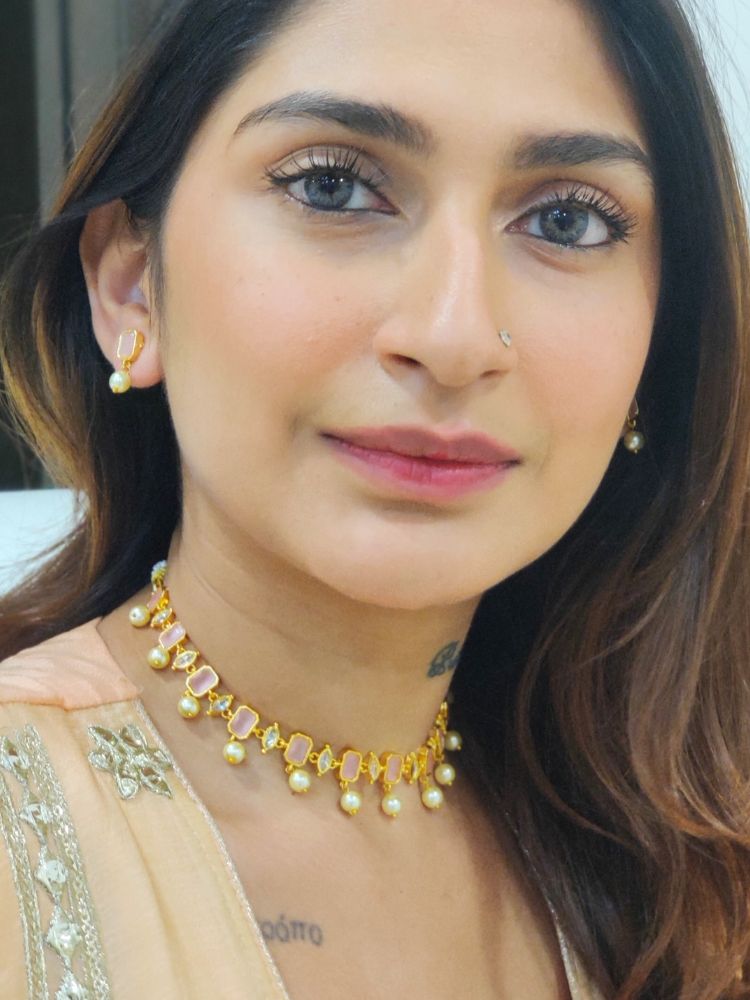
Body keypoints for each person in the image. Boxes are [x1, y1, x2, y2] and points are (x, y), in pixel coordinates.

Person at [0, 0, 749, 996]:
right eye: (334, 186)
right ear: (133, 286)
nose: (455, 336)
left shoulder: (680, 867)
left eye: (567, 219)